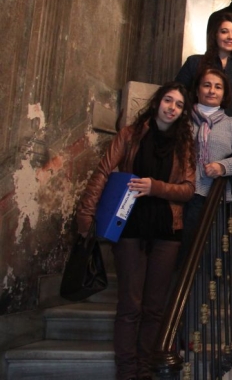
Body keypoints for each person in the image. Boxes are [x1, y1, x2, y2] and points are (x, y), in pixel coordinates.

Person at [75, 83, 196, 380]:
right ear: (157, 103)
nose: (172, 107)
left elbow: (188, 190)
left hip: (167, 231)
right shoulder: (129, 135)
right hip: (129, 227)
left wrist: (155, 187)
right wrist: (86, 213)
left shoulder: (184, 145)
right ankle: (127, 372)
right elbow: (103, 172)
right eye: (168, 100)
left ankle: (145, 371)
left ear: (182, 112)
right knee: (130, 306)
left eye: (179, 104)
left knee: (154, 309)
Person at [182, 68, 232, 252]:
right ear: (197, 90)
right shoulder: (183, 120)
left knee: (211, 252)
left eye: (218, 87)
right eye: (207, 85)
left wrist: (222, 166)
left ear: (224, 94)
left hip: (216, 197)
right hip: (184, 194)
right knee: (183, 251)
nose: (212, 90)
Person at [176, 12, 232, 120]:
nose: (230, 37)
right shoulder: (194, 62)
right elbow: (177, 94)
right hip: (197, 124)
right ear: (215, 34)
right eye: (224, 32)